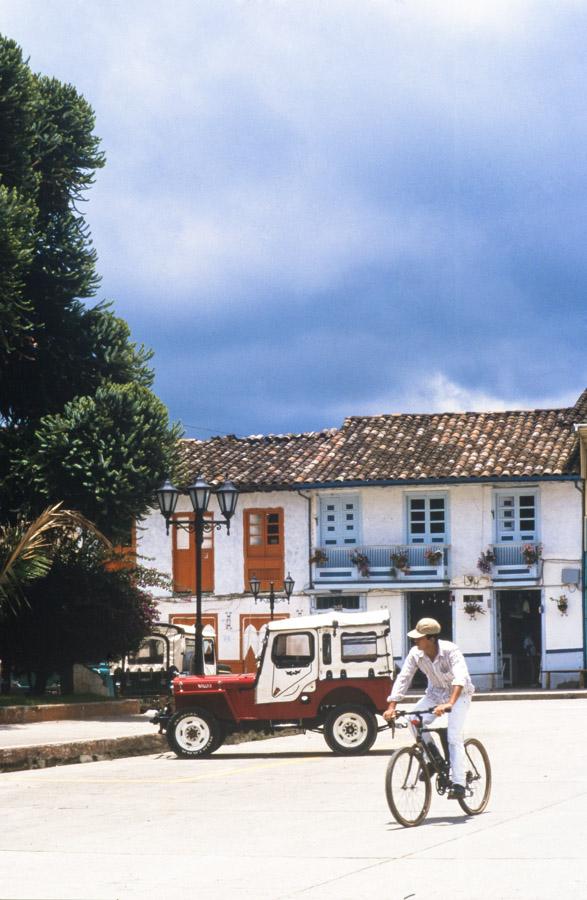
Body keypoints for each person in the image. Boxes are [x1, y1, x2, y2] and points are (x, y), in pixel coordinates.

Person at [383, 617, 475, 800]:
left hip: (459, 695)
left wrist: (449, 703)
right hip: (434, 694)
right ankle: (433, 760)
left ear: (431, 638)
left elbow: (461, 677)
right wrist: (392, 705)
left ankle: (459, 783)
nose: (415, 641)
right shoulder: (416, 654)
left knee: (453, 736)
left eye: (419, 638)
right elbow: (404, 677)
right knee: (412, 720)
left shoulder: (451, 650)